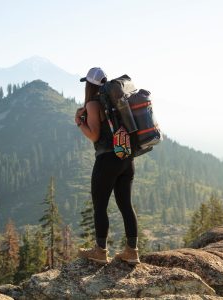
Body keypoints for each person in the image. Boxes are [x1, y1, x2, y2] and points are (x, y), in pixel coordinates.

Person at [75, 67, 140, 265]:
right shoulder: (115, 101)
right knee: (126, 205)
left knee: (100, 206)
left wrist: (79, 122)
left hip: (107, 160)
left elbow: (94, 135)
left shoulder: (93, 104)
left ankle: (100, 251)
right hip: (126, 158)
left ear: (89, 84)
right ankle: (132, 251)